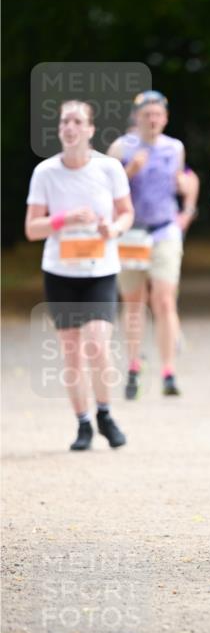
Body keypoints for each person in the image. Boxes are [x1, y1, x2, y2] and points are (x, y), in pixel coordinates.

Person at [25, 100, 133, 450]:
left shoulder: (109, 168)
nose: (69, 127)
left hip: (100, 270)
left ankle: (105, 413)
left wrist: (113, 229)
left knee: (97, 344)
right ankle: (83, 423)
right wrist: (65, 219)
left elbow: (126, 213)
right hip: (60, 272)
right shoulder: (45, 172)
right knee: (71, 351)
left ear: (90, 129)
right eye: (64, 122)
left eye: (76, 121)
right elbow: (32, 229)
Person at [108, 90, 198, 398]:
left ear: (166, 118)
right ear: (137, 117)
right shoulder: (121, 147)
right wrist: (128, 171)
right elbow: (104, 189)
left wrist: (187, 208)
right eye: (147, 114)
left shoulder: (175, 148)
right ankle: (134, 365)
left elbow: (187, 180)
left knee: (164, 300)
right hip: (131, 233)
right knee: (134, 302)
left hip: (164, 231)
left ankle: (168, 371)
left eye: (158, 114)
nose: (152, 119)